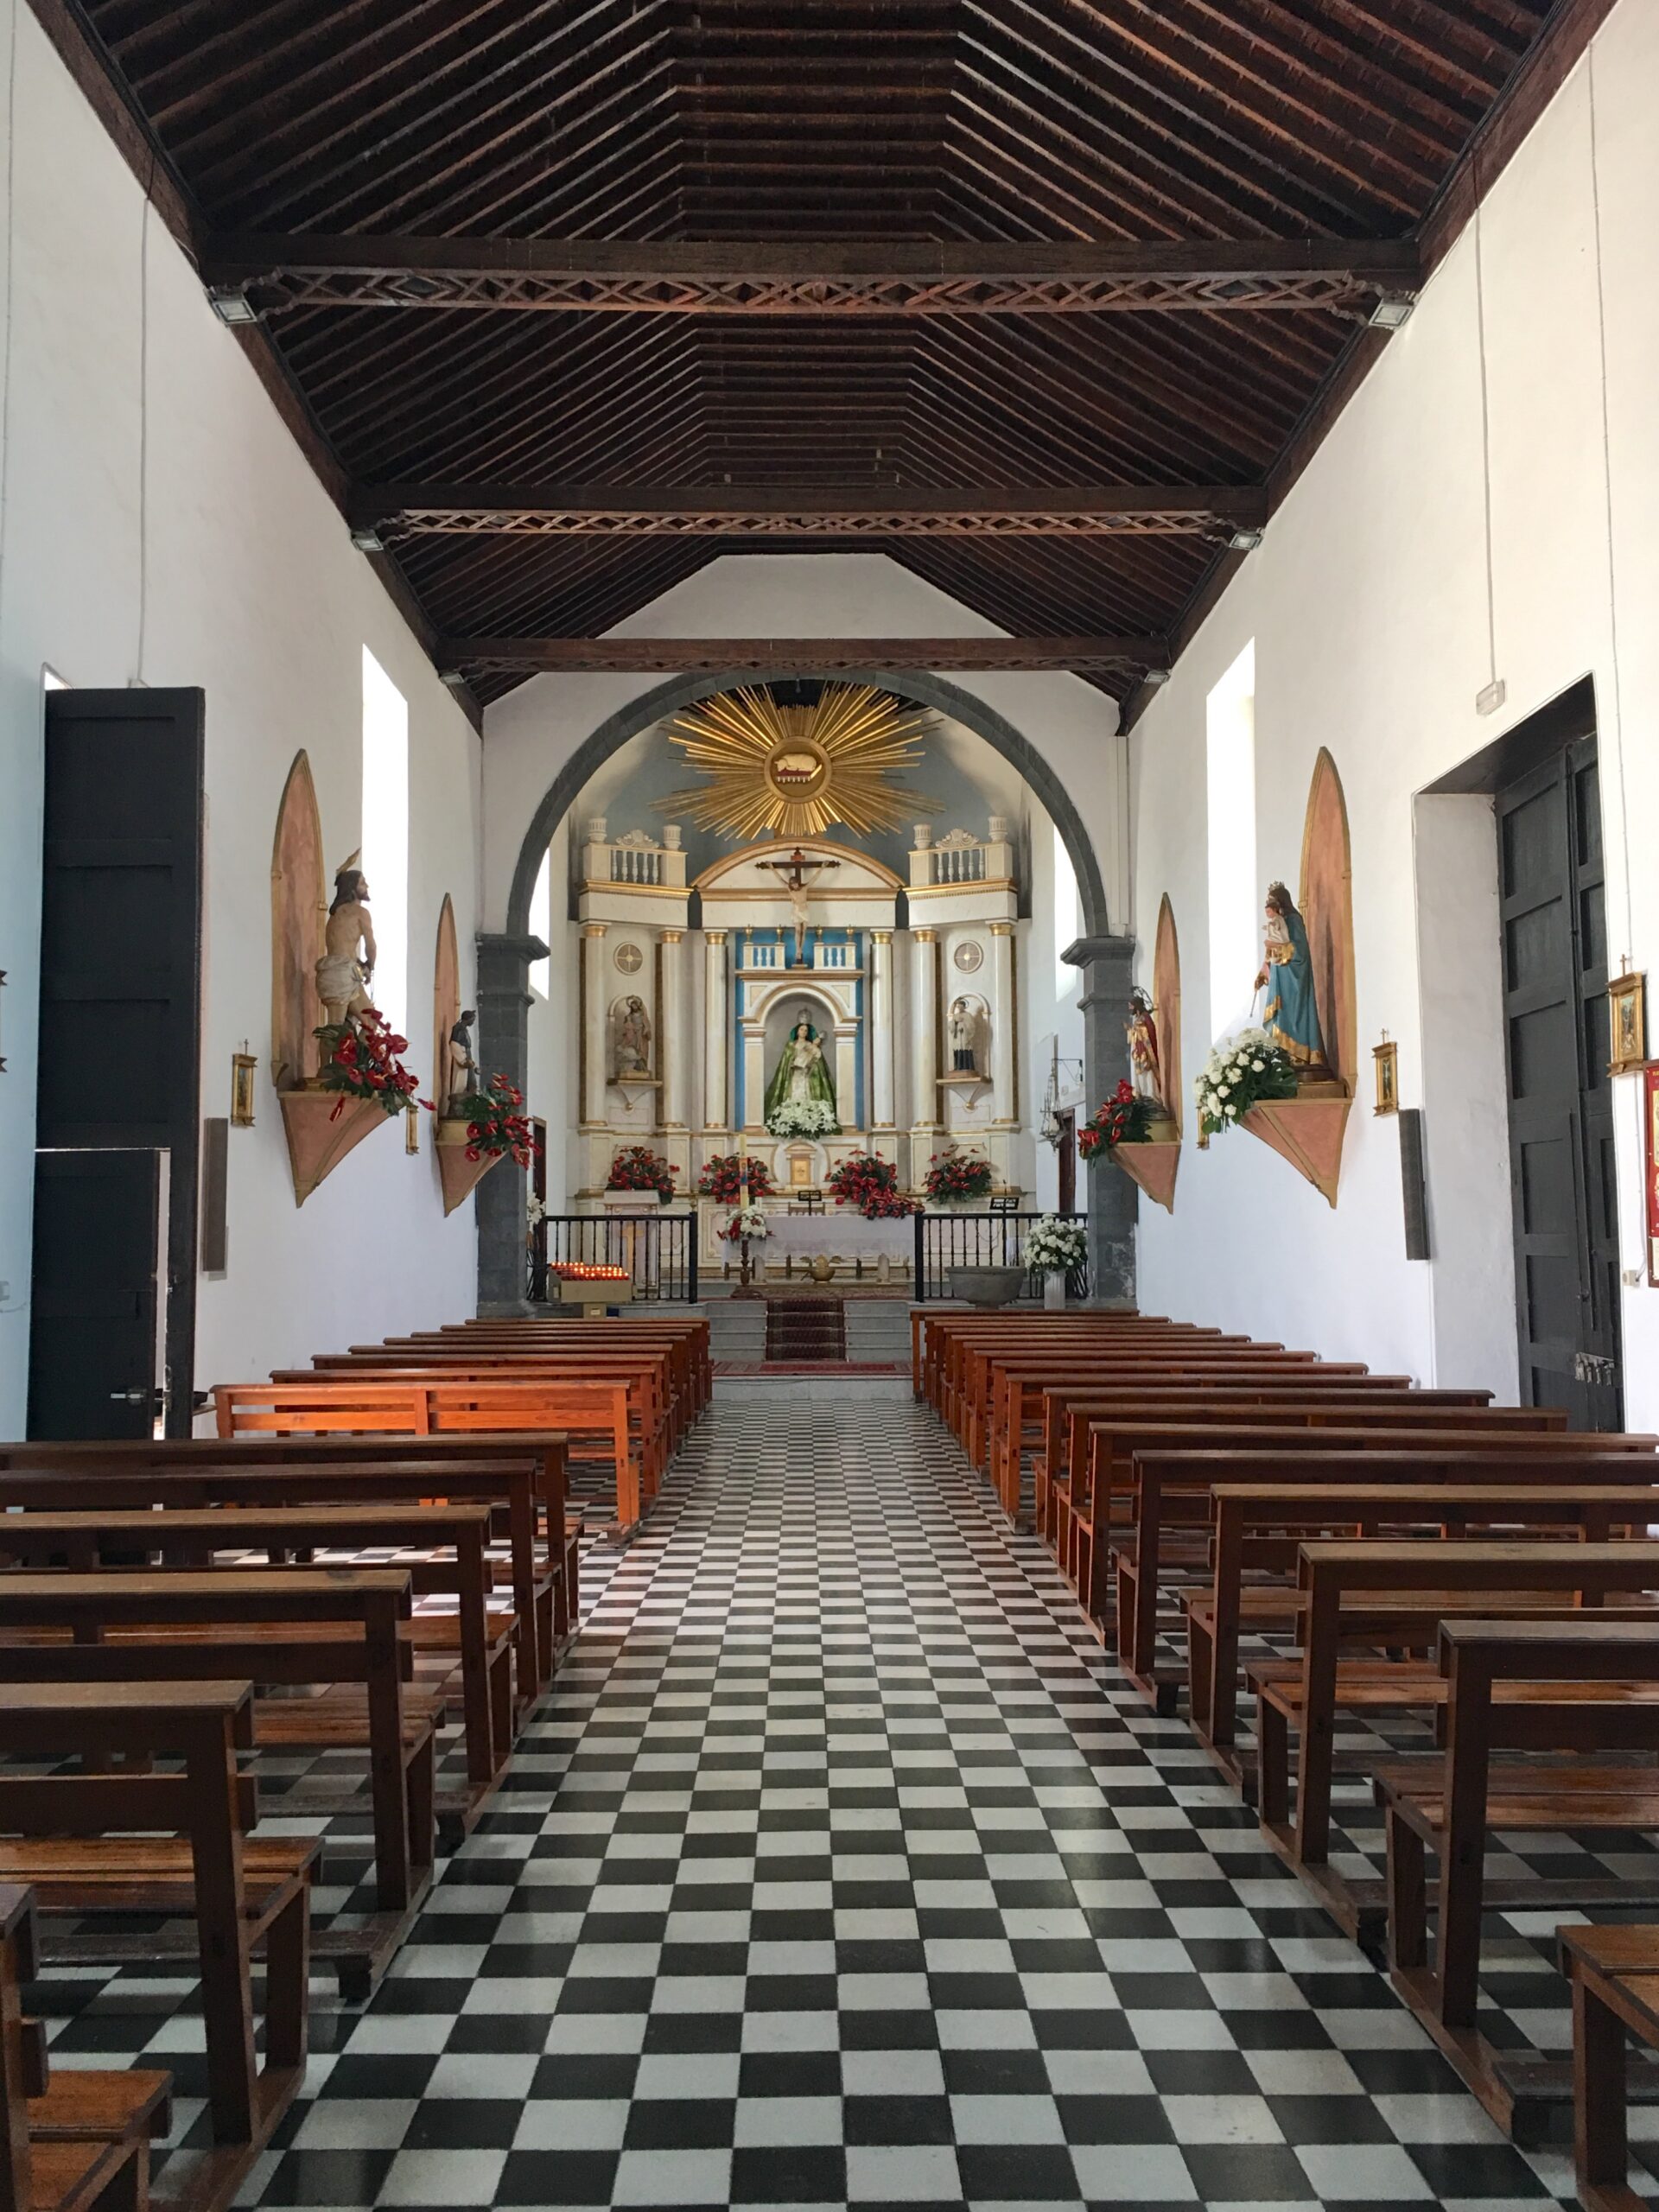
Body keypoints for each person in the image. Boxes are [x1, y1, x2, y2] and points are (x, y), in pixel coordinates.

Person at [1253, 881, 1328, 1071]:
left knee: (1294, 1015)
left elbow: (1300, 952)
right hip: (1281, 979)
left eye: (1272, 902)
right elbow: (1273, 953)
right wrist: (1264, 972)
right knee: (1282, 1017)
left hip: (1294, 981)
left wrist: (1276, 947)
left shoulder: (1294, 920)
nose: (1270, 907)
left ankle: (1301, 1057)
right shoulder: (1279, 923)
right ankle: (1287, 1057)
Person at [316, 853, 376, 1028]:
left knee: (369, 1024)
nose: (367, 886)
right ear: (352, 888)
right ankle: (326, 1058)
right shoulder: (360, 913)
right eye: (363, 883)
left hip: (337, 970)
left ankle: (356, 1056)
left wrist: (359, 964)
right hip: (342, 973)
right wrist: (370, 965)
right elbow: (371, 945)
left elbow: (342, 947)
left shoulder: (335, 916)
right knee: (335, 1028)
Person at [1126, 988, 1160, 1102]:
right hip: (1138, 1051)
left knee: (1148, 1074)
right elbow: (1134, 1036)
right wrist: (1130, 1030)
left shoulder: (1145, 1017)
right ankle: (1143, 1096)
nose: (1130, 1008)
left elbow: (1150, 1029)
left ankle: (1151, 1097)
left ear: (1136, 1005)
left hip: (1146, 1050)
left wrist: (1139, 1029)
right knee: (1140, 1076)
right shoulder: (1137, 1018)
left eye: (1131, 1006)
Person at [446, 1009, 480, 1114]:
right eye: (473, 1019)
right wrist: (462, 1060)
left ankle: (465, 1108)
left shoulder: (464, 1029)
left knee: (471, 1085)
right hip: (462, 1061)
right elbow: (454, 1044)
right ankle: (457, 1109)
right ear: (468, 1019)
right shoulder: (458, 1028)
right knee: (460, 1084)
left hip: (467, 1058)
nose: (473, 1022)